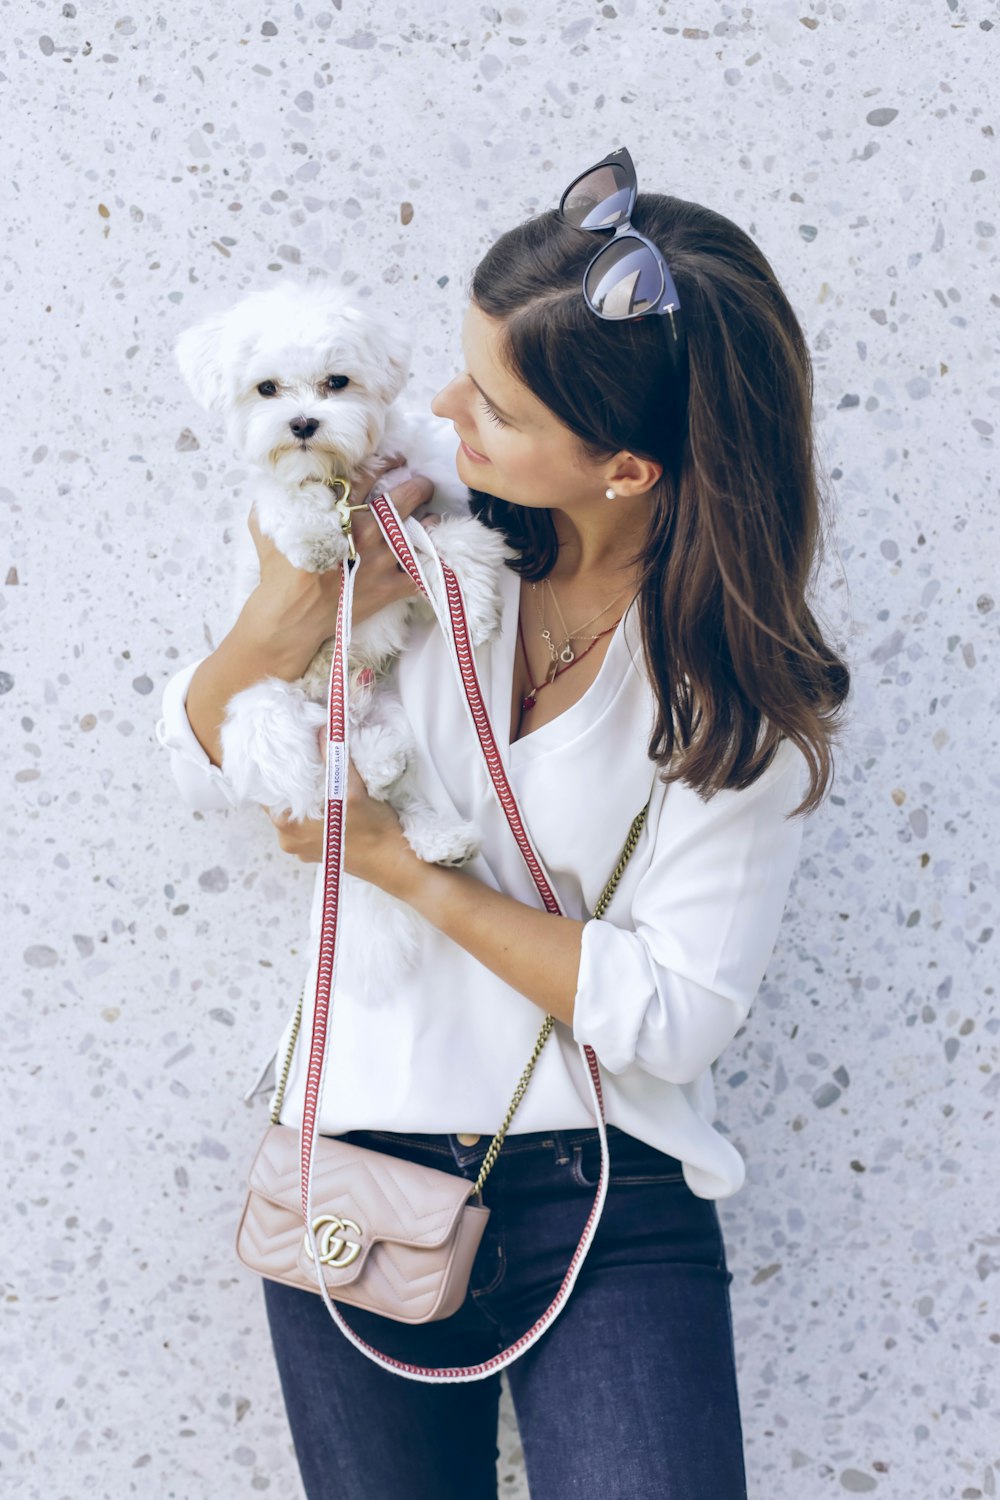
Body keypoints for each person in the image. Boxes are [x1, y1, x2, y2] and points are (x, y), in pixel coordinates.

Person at [156, 150, 849, 1500]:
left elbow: (674, 1014)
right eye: (462, 366)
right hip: (349, 1169)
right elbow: (201, 761)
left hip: (616, 1200)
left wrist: (408, 871)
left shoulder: (725, 686)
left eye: (498, 404)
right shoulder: (419, 541)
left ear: (628, 466)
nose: (440, 406)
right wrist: (286, 615)